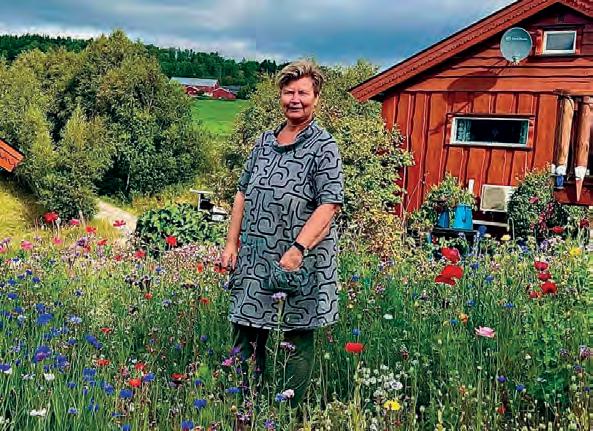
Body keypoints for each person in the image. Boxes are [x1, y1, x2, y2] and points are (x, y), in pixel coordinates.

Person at [220, 59, 344, 407]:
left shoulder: (324, 147)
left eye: (303, 92)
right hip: (255, 257)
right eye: (289, 92)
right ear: (280, 96)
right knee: (245, 331)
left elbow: (329, 205)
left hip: (300, 258)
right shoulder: (263, 142)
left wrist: (298, 249)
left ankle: (286, 413)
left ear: (316, 98)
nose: (295, 99)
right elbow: (242, 193)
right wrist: (231, 243)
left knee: (296, 339)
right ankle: (245, 408)